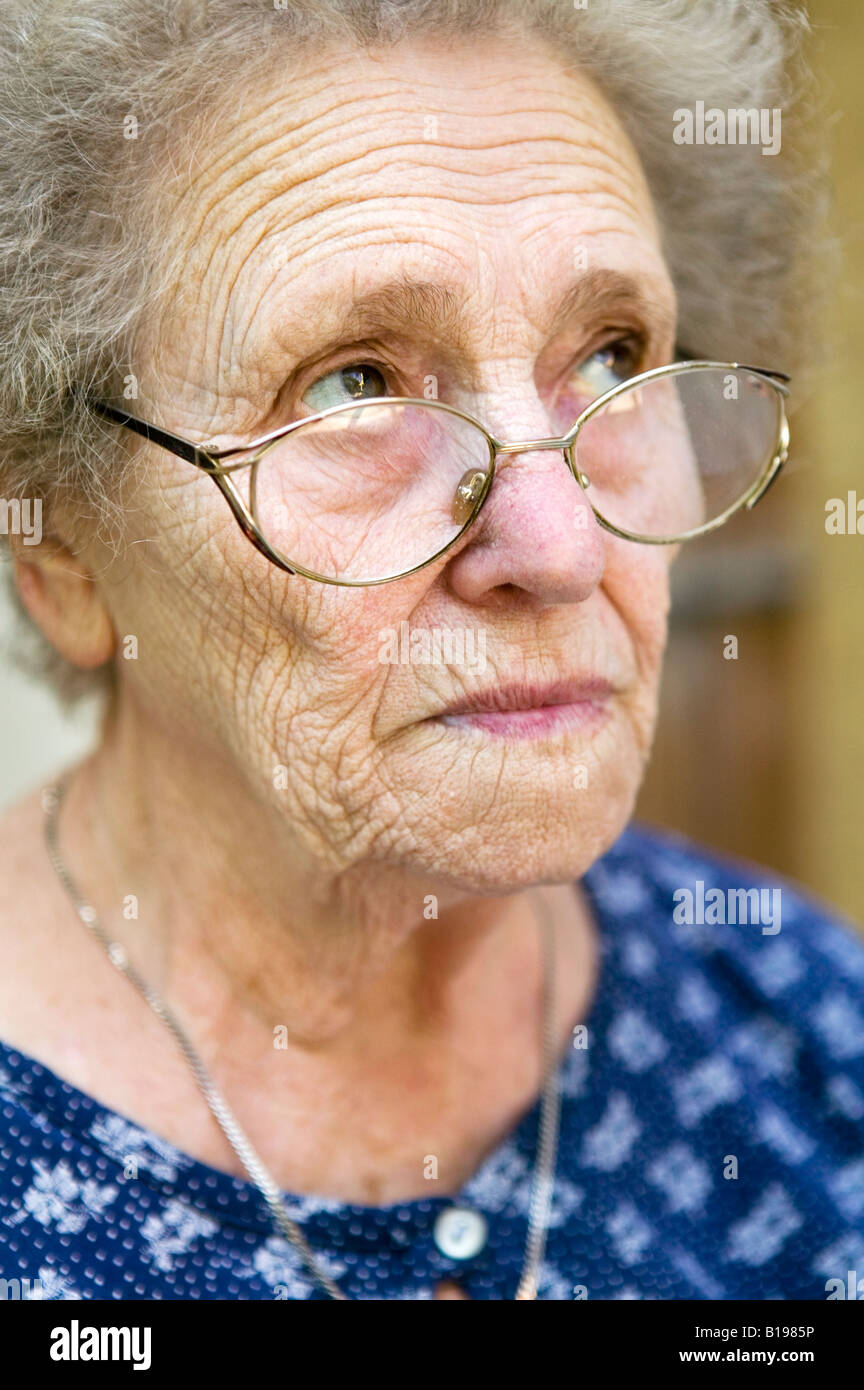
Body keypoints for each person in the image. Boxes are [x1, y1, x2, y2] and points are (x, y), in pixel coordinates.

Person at [0, 0, 860, 1301]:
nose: (560, 545)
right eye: (356, 384)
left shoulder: (815, 1040)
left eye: (615, 351)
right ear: (58, 549)